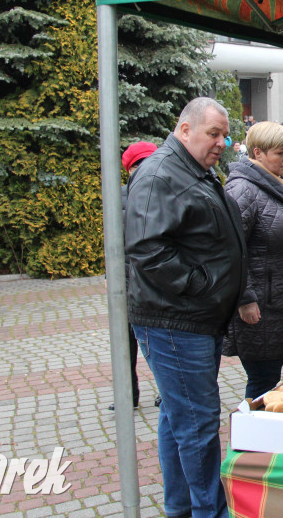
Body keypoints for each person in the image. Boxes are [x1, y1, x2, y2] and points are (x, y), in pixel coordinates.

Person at [124, 97, 246, 518]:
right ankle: (209, 511)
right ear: (184, 129)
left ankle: (180, 507)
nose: (221, 143)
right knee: (197, 422)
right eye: (213, 133)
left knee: (179, 418)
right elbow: (146, 249)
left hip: (195, 318)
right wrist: (204, 287)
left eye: (224, 135)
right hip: (176, 322)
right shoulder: (160, 174)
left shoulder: (194, 170)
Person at [224, 122, 283, 400]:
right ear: (258, 153)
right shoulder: (242, 190)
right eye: (280, 153)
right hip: (259, 305)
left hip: (280, 298)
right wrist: (244, 299)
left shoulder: (281, 181)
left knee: (270, 375)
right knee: (262, 381)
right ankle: (251, 426)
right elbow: (230, 250)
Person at [108, 141, 160, 412]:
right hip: (132, 279)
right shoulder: (120, 196)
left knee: (148, 341)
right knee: (131, 341)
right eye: (138, 164)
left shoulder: (163, 192)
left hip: (143, 279)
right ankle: (131, 395)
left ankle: (152, 393)